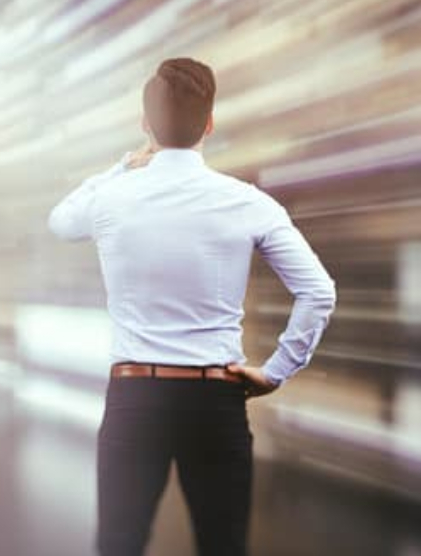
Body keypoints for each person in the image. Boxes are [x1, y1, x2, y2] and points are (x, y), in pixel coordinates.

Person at [46, 58, 337, 556]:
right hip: (216, 400)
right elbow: (319, 292)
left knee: (119, 545)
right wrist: (277, 370)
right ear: (209, 123)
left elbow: (60, 221)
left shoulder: (111, 198)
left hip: (134, 400)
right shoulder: (248, 203)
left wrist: (122, 165)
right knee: (222, 546)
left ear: (145, 124)